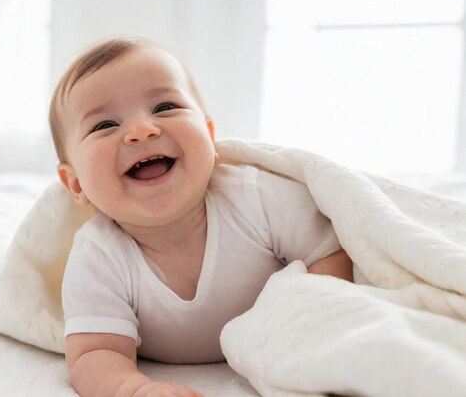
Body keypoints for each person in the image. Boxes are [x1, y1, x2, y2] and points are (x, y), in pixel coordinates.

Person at [49, 37, 353, 397]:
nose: (142, 130)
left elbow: (333, 254)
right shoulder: (98, 256)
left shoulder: (256, 198)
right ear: (76, 184)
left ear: (210, 139)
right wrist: (133, 390)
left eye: (164, 107)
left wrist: (308, 327)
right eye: (104, 126)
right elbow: (95, 353)